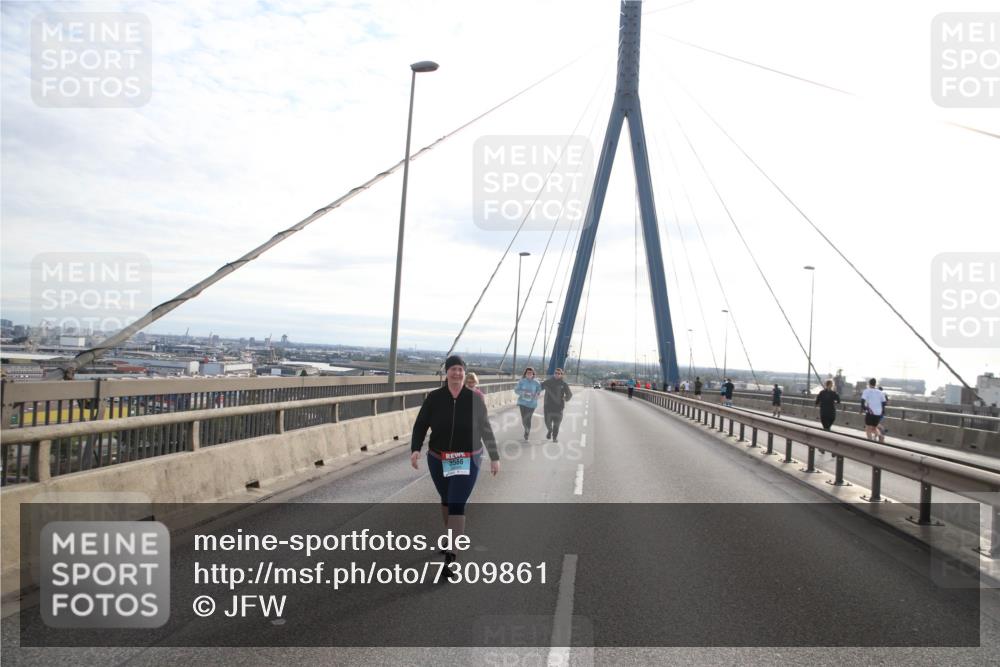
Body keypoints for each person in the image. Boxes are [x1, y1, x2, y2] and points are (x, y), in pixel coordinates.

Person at [410, 355, 499, 575]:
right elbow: (421, 424)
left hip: (468, 458)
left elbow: (485, 427)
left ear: (464, 372)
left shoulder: (474, 399)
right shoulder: (434, 398)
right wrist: (415, 449)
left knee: (457, 502)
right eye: (453, 369)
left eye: (460, 369)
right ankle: (451, 536)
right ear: (446, 372)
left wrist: (494, 456)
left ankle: (451, 557)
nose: (457, 373)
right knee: (446, 499)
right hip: (439, 458)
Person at [541, 367, 573, 442]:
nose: (557, 374)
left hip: (559, 408)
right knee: (547, 422)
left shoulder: (564, 384)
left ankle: (554, 437)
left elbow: (569, 394)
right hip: (548, 407)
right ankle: (550, 430)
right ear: (554, 374)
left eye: (559, 373)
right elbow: (539, 387)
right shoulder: (548, 382)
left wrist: (565, 398)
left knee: (557, 424)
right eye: (555, 373)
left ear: (561, 375)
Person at [515, 367, 542, 440]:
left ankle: (527, 432)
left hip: (532, 403)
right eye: (528, 372)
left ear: (533, 374)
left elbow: (539, 389)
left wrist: (537, 394)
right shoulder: (521, 381)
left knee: (528, 418)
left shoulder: (536, 382)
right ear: (525, 374)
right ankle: (526, 428)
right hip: (522, 403)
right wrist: (523, 393)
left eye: (531, 372)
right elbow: (516, 390)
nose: (529, 374)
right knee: (524, 419)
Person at [860, 378, 887, 442]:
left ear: (869, 384)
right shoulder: (880, 392)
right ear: (875, 384)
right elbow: (884, 403)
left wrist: (865, 408)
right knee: (874, 428)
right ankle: (880, 436)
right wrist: (880, 409)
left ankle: (870, 443)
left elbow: (862, 401)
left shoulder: (866, 391)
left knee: (868, 429)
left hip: (870, 412)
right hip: (878, 413)